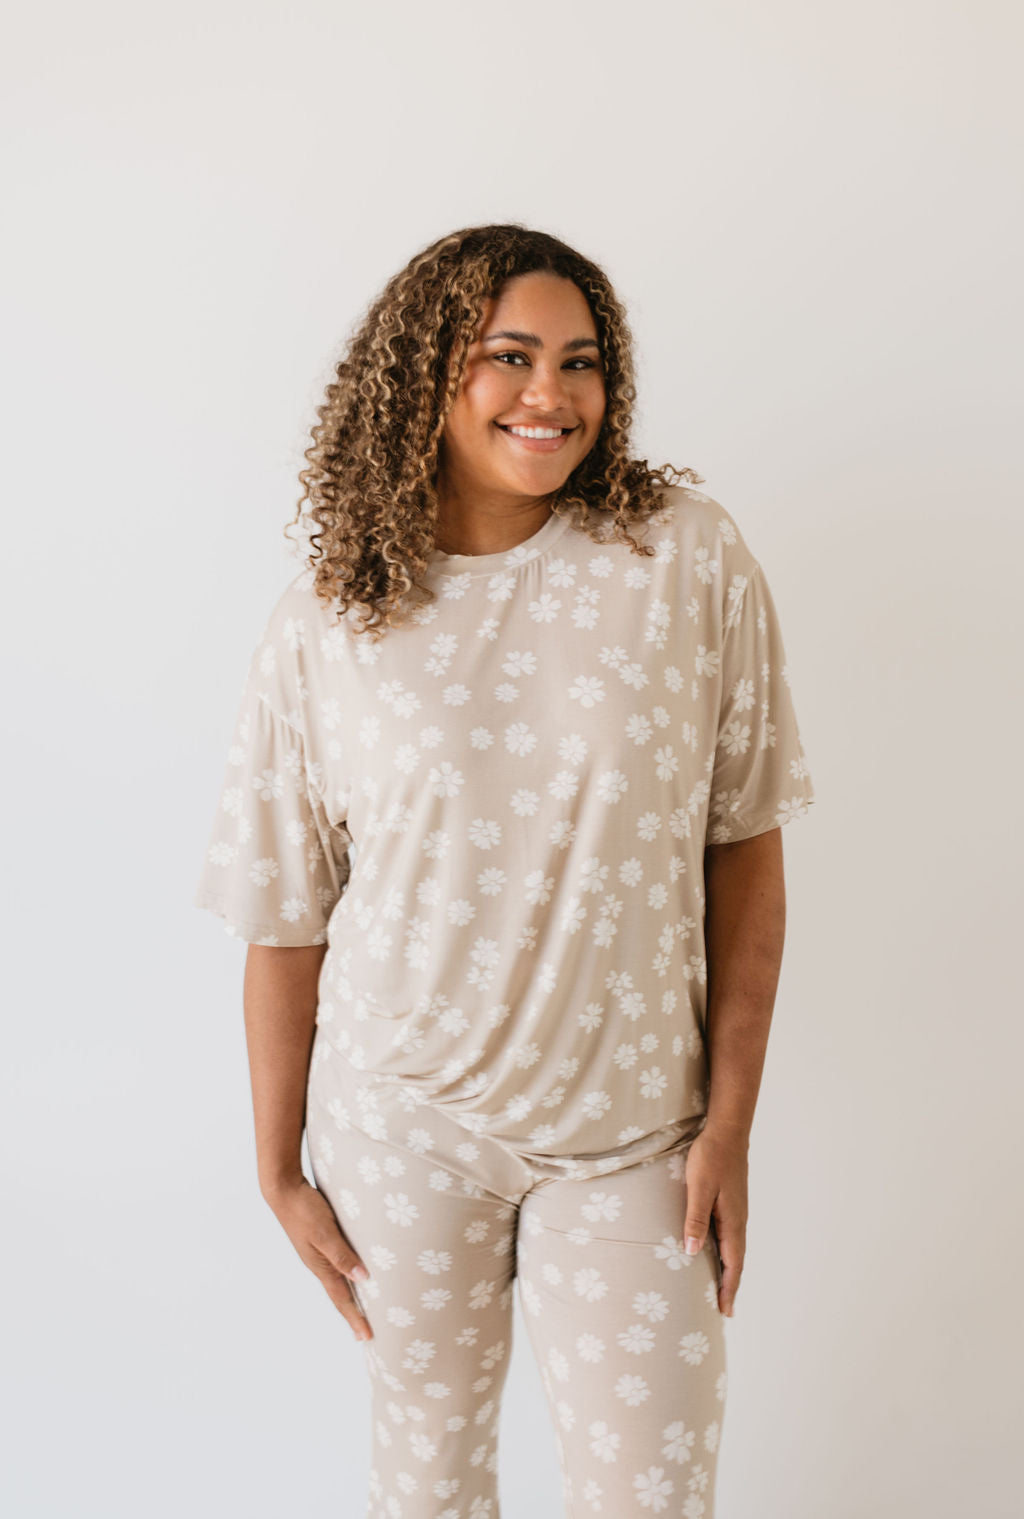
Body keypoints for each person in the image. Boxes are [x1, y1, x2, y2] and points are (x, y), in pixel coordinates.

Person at [194, 222, 816, 1518]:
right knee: (427, 1486)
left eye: (581, 361)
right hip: (405, 1132)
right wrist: (278, 1168)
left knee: (650, 1495)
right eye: (510, 356)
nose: (553, 395)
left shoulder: (682, 559)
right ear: (426, 374)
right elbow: (287, 916)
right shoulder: (333, 620)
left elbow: (743, 845)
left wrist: (732, 1120)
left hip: (638, 1134)